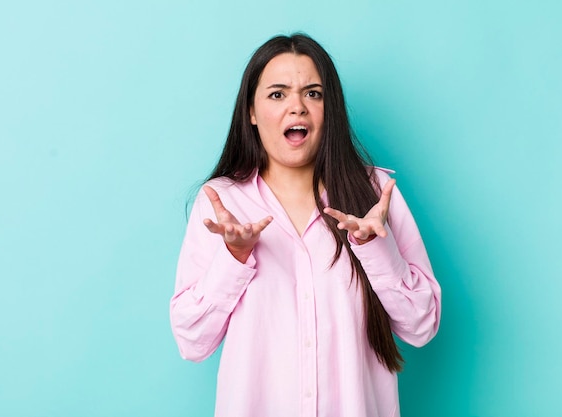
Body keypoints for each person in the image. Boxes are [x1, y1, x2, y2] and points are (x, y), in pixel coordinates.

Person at [170, 33, 441, 417]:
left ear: (330, 109)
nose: (296, 107)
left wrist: (375, 249)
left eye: (313, 93)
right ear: (251, 110)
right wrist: (233, 257)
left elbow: (422, 325)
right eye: (277, 94)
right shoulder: (221, 203)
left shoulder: (375, 196)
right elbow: (191, 341)